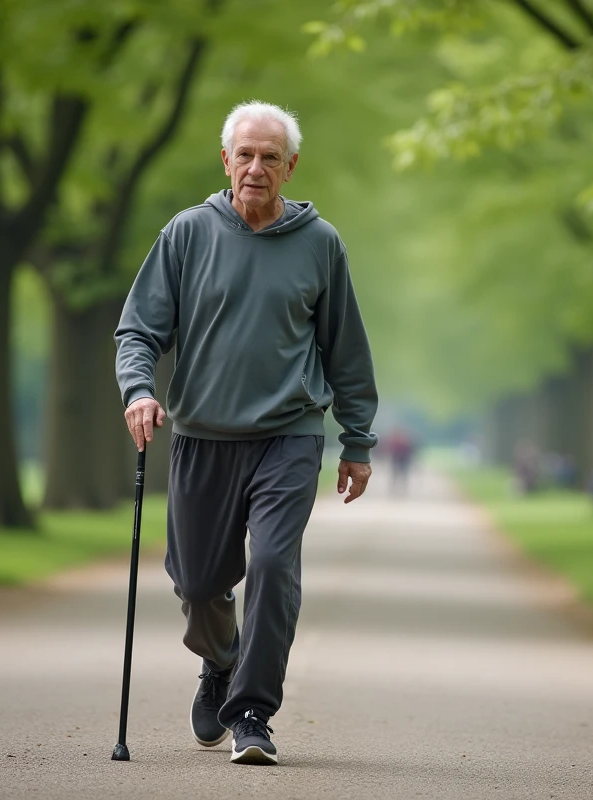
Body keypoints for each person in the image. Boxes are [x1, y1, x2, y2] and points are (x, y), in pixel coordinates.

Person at [114, 101, 378, 766]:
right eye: (245, 155)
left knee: (272, 565)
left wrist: (357, 441)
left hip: (288, 436)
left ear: (291, 167)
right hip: (202, 436)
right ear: (226, 160)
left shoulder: (320, 244)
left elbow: (346, 351)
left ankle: (252, 712)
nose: (256, 168)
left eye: (270, 157)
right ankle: (220, 661)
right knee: (199, 585)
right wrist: (139, 391)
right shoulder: (187, 234)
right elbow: (139, 329)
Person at [385, 427, 416, 496]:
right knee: (396, 475)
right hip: (397, 460)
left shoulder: (401, 441)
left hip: (402, 460)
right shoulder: (396, 441)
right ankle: (395, 488)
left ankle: (401, 488)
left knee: (401, 475)